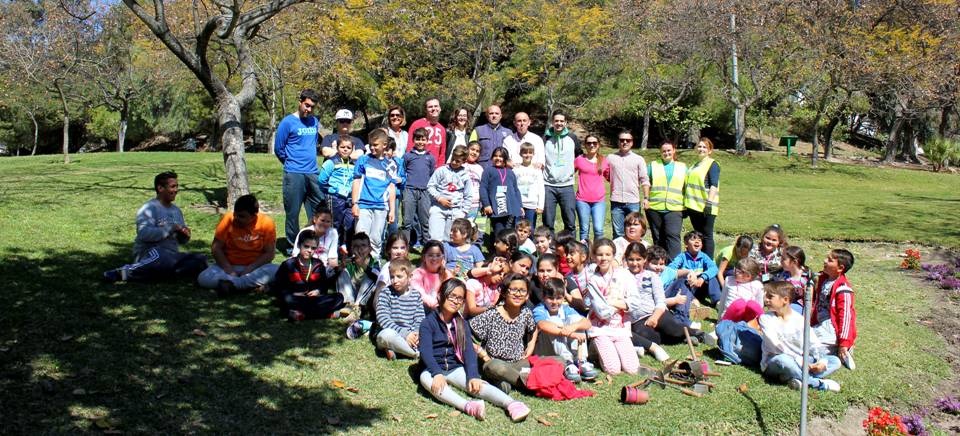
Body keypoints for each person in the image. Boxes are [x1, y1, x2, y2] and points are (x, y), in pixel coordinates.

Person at [418, 278, 531, 422]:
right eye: (451, 296)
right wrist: (437, 373)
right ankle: (468, 406)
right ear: (441, 295)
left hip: (454, 367)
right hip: (432, 369)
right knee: (426, 380)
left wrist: (473, 375)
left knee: (477, 385)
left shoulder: (461, 323)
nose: (455, 301)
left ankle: (512, 404)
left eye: (460, 298)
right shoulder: (428, 323)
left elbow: (469, 352)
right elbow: (425, 352)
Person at [103, 171, 207, 283]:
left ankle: (163, 273)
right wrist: (169, 228)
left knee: (200, 259)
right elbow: (143, 234)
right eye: (172, 186)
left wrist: (185, 235)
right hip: (150, 252)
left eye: (177, 186)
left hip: (172, 255)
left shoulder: (176, 211)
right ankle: (121, 272)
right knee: (161, 257)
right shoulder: (149, 208)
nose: (176, 190)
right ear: (160, 188)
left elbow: (181, 239)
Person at [760, 281, 842, 392]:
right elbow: (775, 346)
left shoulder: (799, 319)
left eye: (770, 297)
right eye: (766, 297)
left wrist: (821, 361)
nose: (766, 300)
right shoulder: (766, 318)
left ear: (785, 300)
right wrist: (799, 360)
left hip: (801, 361)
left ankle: (792, 377)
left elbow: (813, 342)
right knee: (784, 361)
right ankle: (817, 383)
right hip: (775, 361)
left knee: (834, 361)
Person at [198, 194, 278, 296]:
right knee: (203, 278)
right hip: (229, 267)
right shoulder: (228, 219)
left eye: (241, 216)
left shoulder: (266, 223)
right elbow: (216, 248)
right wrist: (229, 270)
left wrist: (250, 268)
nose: (236, 218)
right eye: (235, 214)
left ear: (254, 215)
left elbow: (269, 253)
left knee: (278, 270)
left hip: (255, 269)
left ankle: (234, 285)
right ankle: (248, 285)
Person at [470, 274, 539, 391]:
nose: (518, 294)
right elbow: (466, 334)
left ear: (527, 295)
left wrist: (531, 345)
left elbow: (534, 328)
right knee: (497, 368)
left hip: (517, 363)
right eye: (513, 290)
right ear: (504, 292)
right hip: (494, 362)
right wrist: (484, 355)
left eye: (522, 291)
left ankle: (508, 381)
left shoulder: (526, 313)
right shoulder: (492, 314)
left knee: (558, 361)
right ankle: (531, 384)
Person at [275, 89, 324, 248]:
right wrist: (291, 164)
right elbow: (279, 149)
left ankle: (313, 241)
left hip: (312, 172)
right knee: (293, 212)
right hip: (294, 173)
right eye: (306, 105)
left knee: (318, 209)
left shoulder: (314, 122)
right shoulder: (287, 122)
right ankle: (293, 246)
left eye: (312, 107)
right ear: (300, 102)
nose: (308, 110)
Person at [621, 243, 687, 360]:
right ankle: (655, 343)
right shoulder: (621, 276)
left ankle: (695, 333)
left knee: (674, 329)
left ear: (645, 260)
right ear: (625, 259)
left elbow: (660, 301)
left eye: (638, 259)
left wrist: (654, 317)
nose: (635, 263)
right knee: (650, 336)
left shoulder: (651, 276)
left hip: (655, 312)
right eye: (631, 259)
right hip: (636, 320)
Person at [584, 238, 639, 375]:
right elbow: (602, 312)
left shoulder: (625, 275)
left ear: (613, 255)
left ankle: (618, 349)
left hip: (620, 328)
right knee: (613, 370)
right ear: (594, 256)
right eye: (600, 255)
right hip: (600, 328)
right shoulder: (592, 280)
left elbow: (635, 302)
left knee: (632, 369)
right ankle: (594, 348)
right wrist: (622, 303)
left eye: (608, 254)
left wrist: (611, 301)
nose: (604, 258)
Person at [533, 278, 597, 382]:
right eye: (550, 298)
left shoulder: (565, 308)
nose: (554, 302)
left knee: (575, 320)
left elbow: (587, 323)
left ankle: (580, 360)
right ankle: (567, 363)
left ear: (563, 298)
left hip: (564, 344)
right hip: (546, 350)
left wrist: (573, 327)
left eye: (558, 298)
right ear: (544, 297)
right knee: (555, 322)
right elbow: (543, 325)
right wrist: (569, 334)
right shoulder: (540, 309)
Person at [273, 230, 346, 321]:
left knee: (339, 297)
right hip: (295, 298)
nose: (309, 250)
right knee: (287, 299)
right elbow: (278, 285)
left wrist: (318, 291)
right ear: (299, 245)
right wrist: (293, 293)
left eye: (313, 248)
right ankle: (325, 314)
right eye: (306, 246)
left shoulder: (318, 264)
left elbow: (324, 285)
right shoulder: (288, 264)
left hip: (313, 299)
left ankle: (299, 314)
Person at [352, 129, 397, 259]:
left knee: (376, 238)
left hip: (381, 207)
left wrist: (392, 210)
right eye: (370, 144)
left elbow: (391, 188)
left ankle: (374, 264)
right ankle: (359, 262)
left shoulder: (391, 164)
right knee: (361, 236)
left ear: (384, 145)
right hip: (363, 205)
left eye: (375, 145)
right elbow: (356, 181)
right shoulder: (363, 160)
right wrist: (354, 203)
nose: (372, 147)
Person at [811, 248, 858, 371]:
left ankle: (836, 356)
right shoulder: (824, 279)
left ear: (840, 268)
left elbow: (846, 317)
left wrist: (844, 343)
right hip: (820, 325)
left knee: (809, 347)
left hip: (831, 329)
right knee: (802, 340)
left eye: (830, 260)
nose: (824, 261)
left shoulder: (843, 290)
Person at [663, 231, 722, 325]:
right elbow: (671, 269)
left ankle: (718, 302)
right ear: (686, 244)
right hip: (689, 287)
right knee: (682, 281)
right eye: (693, 239)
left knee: (711, 278)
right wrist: (684, 273)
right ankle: (692, 303)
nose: (697, 242)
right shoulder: (682, 257)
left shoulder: (703, 256)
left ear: (702, 245)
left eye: (699, 240)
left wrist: (702, 277)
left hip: (700, 285)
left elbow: (714, 268)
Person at [375, 259, 425, 360]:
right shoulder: (386, 293)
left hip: (411, 335)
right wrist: (405, 334)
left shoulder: (416, 295)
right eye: (392, 277)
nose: (395, 281)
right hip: (394, 332)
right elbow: (383, 318)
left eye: (399, 277)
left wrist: (416, 334)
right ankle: (416, 354)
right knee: (385, 335)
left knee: (429, 335)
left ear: (410, 277)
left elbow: (420, 318)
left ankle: (398, 350)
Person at [645, 140, 687, 259]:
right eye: (664, 151)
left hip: (675, 208)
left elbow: (687, 186)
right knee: (658, 237)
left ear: (674, 151)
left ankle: (674, 265)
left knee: (672, 235)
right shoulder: (653, 165)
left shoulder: (682, 167)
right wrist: (646, 198)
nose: (666, 153)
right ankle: (658, 263)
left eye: (669, 150)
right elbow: (646, 183)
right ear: (660, 152)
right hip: (655, 207)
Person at [607, 131, 650, 240]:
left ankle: (635, 254)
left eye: (628, 140)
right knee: (618, 233)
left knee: (635, 232)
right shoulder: (611, 158)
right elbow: (605, 174)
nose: (624, 142)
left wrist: (646, 198)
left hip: (633, 201)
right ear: (618, 142)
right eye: (622, 140)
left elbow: (644, 179)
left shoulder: (638, 159)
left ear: (632, 143)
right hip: (616, 201)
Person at [542, 111, 579, 233]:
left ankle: (571, 249)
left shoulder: (572, 138)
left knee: (570, 221)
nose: (559, 123)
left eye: (561, 121)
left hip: (567, 185)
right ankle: (550, 249)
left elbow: (579, 156)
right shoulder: (546, 138)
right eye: (556, 121)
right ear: (552, 122)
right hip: (548, 185)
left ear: (566, 122)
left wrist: (572, 171)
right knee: (548, 222)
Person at [684, 137, 721, 258]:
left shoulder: (712, 164)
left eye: (704, 147)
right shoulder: (694, 165)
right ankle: (700, 258)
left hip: (706, 207)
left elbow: (714, 185)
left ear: (710, 150)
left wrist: (709, 203)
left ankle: (708, 262)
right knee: (699, 235)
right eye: (699, 146)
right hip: (693, 206)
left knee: (707, 236)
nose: (701, 149)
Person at [426, 145, 472, 242]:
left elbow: (468, 195)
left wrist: (463, 212)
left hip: (456, 211)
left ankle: (448, 256)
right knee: (435, 238)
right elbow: (430, 186)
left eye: (458, 161)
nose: (454, 162)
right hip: (438, 208)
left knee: (451, 239)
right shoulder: (441, 170)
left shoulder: (466, 176)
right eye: (453, 159)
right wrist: (439, 198)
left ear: (464, 162)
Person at [318, 137, 356, 248]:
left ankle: (347, 248)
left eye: (348, 148)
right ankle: (332, 248)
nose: (345, 150)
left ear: (352, 149)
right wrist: (332, 191)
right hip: (335, 198)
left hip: (349, 199)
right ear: (337, 148)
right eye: (342, 147)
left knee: (350, 223)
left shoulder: (354, 164)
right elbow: (321, 181)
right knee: (335, 223)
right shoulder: (331, 162)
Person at [402, 128, 436, 250]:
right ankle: (404, 248)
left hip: (424, 192)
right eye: (418, 139)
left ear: (427, 140)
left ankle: (427, 248)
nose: (420, 142)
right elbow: (403, 171)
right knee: (407, 221)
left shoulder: (430, 158)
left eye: (423, 139)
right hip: (410, 190)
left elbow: (432, 174)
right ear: (413, 140)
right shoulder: (407, 156)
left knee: (425, 221)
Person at [480, 147, 523, 242]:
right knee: (499, 233)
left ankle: (509, 253)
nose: (498, 158)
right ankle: (498, 253)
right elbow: (483, 188)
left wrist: (520, 206)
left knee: (510, 233)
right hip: (497, 208)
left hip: (511, 209)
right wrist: (486, 204)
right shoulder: (488, 171)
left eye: (501, 156)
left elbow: (516, 190)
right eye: (495, 156)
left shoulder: (510, 172)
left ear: (505, 158)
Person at [339, 232, 381, 329]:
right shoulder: (350, 262)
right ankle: (349, 304)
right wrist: (340, 267)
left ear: (370, 249)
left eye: (363, 246)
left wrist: (363, 265)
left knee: (370, 277)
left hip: (366, 297)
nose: (360, 249)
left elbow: (377, 278)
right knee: (342, 272)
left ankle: (357, 307)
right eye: (356, 246)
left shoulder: (374, 262)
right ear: (352, 249)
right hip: (352, 293)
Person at [573, 134, 609, 242]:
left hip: (599, 201)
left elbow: (610, 176)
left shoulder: (603, 160)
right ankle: (584, 255)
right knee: (584, 230)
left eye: (594, 143)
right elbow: (569, 174)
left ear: (598, 145)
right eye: (589, 143)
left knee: (598, 230)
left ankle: (598, 254)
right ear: (585, 145)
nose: (592, 145)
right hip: (582, 200)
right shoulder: (579, 159)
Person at [290, 207, 339, 281]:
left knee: (342, 272)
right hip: (305, 265)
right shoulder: (305, 232)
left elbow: (332, 258)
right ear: (315, 219)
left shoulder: (333, 233)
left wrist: (336, 270)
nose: (325, 224)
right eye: (322, 220)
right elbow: (296, 254)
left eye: (328, 221)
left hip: (323, 268)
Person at [716, 258, 764, 322]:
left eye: (739, 272)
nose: (735, 272)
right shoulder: (729, 280)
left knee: (752, 305)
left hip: (746, 318)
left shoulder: (757, 285)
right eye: (735, 269)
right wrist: (719, 320)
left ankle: (762, 324)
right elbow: (723, 300)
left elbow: (759, 306)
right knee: (739, 304)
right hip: (729, 316)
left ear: (748, 276)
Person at [406, 97, 446, 168]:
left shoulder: (442, 129)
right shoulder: (417, 124)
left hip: (434, 168)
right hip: (418, 165)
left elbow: (442, 153)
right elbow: (410, 146)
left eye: (436, 106)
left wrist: (439, 169)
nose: (433, 108)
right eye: (430, 107)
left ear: (440, 108)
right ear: (426, 110)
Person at [411, 240, 452, 309]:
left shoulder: (446, 274)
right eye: (430, 255)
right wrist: (435, 304)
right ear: (424, 257)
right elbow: (419, 293)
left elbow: (450, 292)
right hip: (421, 310)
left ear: (443, 257)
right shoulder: (417, 274)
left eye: (438, 255)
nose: (434, 259)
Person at [513, 142, 545, 228]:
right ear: (520, 154)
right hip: (518, 204)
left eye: (530, 152)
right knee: (517, 229)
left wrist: (540, 205)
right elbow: (512, 188)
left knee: (530, 230)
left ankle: (530, 241)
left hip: (532, 205)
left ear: (533, 154)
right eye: (525, 153)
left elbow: (541, 188)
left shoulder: (537, 170)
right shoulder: (515, 169)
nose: (527, 155)